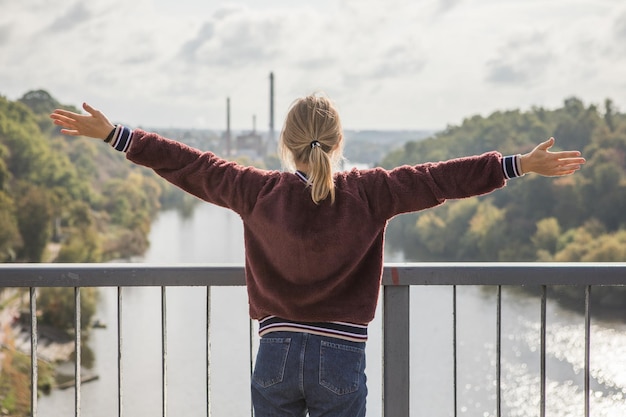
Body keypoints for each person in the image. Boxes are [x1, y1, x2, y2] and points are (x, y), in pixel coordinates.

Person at [50, 94, 585, 417]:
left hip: (276, 353)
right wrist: (515, 164)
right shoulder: (371, 191)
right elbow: (439, 178)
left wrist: (117, 135)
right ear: (338, 140)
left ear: (286, 143)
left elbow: (188, 165)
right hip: (342, 355)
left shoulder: (254, 190)